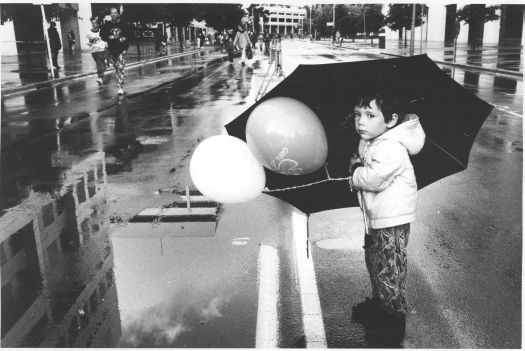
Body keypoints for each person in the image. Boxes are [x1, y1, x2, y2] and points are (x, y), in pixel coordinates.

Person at [348, 91, 425, 341]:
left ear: (391, 121)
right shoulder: (375, 141)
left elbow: (375, 179)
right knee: (376, 264)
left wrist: (355, 173)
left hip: (390, 221)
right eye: (358, 114)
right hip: (378, 218)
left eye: (370, 115)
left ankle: (393, 322)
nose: (361, 121)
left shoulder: (391, 146)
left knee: (389, 271)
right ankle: (379, 304)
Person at [100, 6, 134, 95]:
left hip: (122, 49)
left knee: (120, 67)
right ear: (110, 14)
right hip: (112, 49)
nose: (113, 14)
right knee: (116, 67)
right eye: (112, 13)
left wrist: (125, 38)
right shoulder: (107, 25)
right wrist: (108, 37)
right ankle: (119, 82)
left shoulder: (124, 24)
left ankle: (120, 86)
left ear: (118, 14)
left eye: (115, 13)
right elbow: (102, 35)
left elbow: (130, 34)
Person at [86, 17, 107, 85]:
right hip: (93, 51)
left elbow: (104, 39)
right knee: (100, 63)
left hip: (101, 50)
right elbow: (86, 41)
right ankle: (105, 64)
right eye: (92, 23)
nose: (93, 24)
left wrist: (105, 45)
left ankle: (100, 77)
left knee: (99, 63)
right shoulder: (89, 32)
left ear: (98, 24)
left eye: (95, 23)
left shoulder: (101, 31)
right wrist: (90, 42)